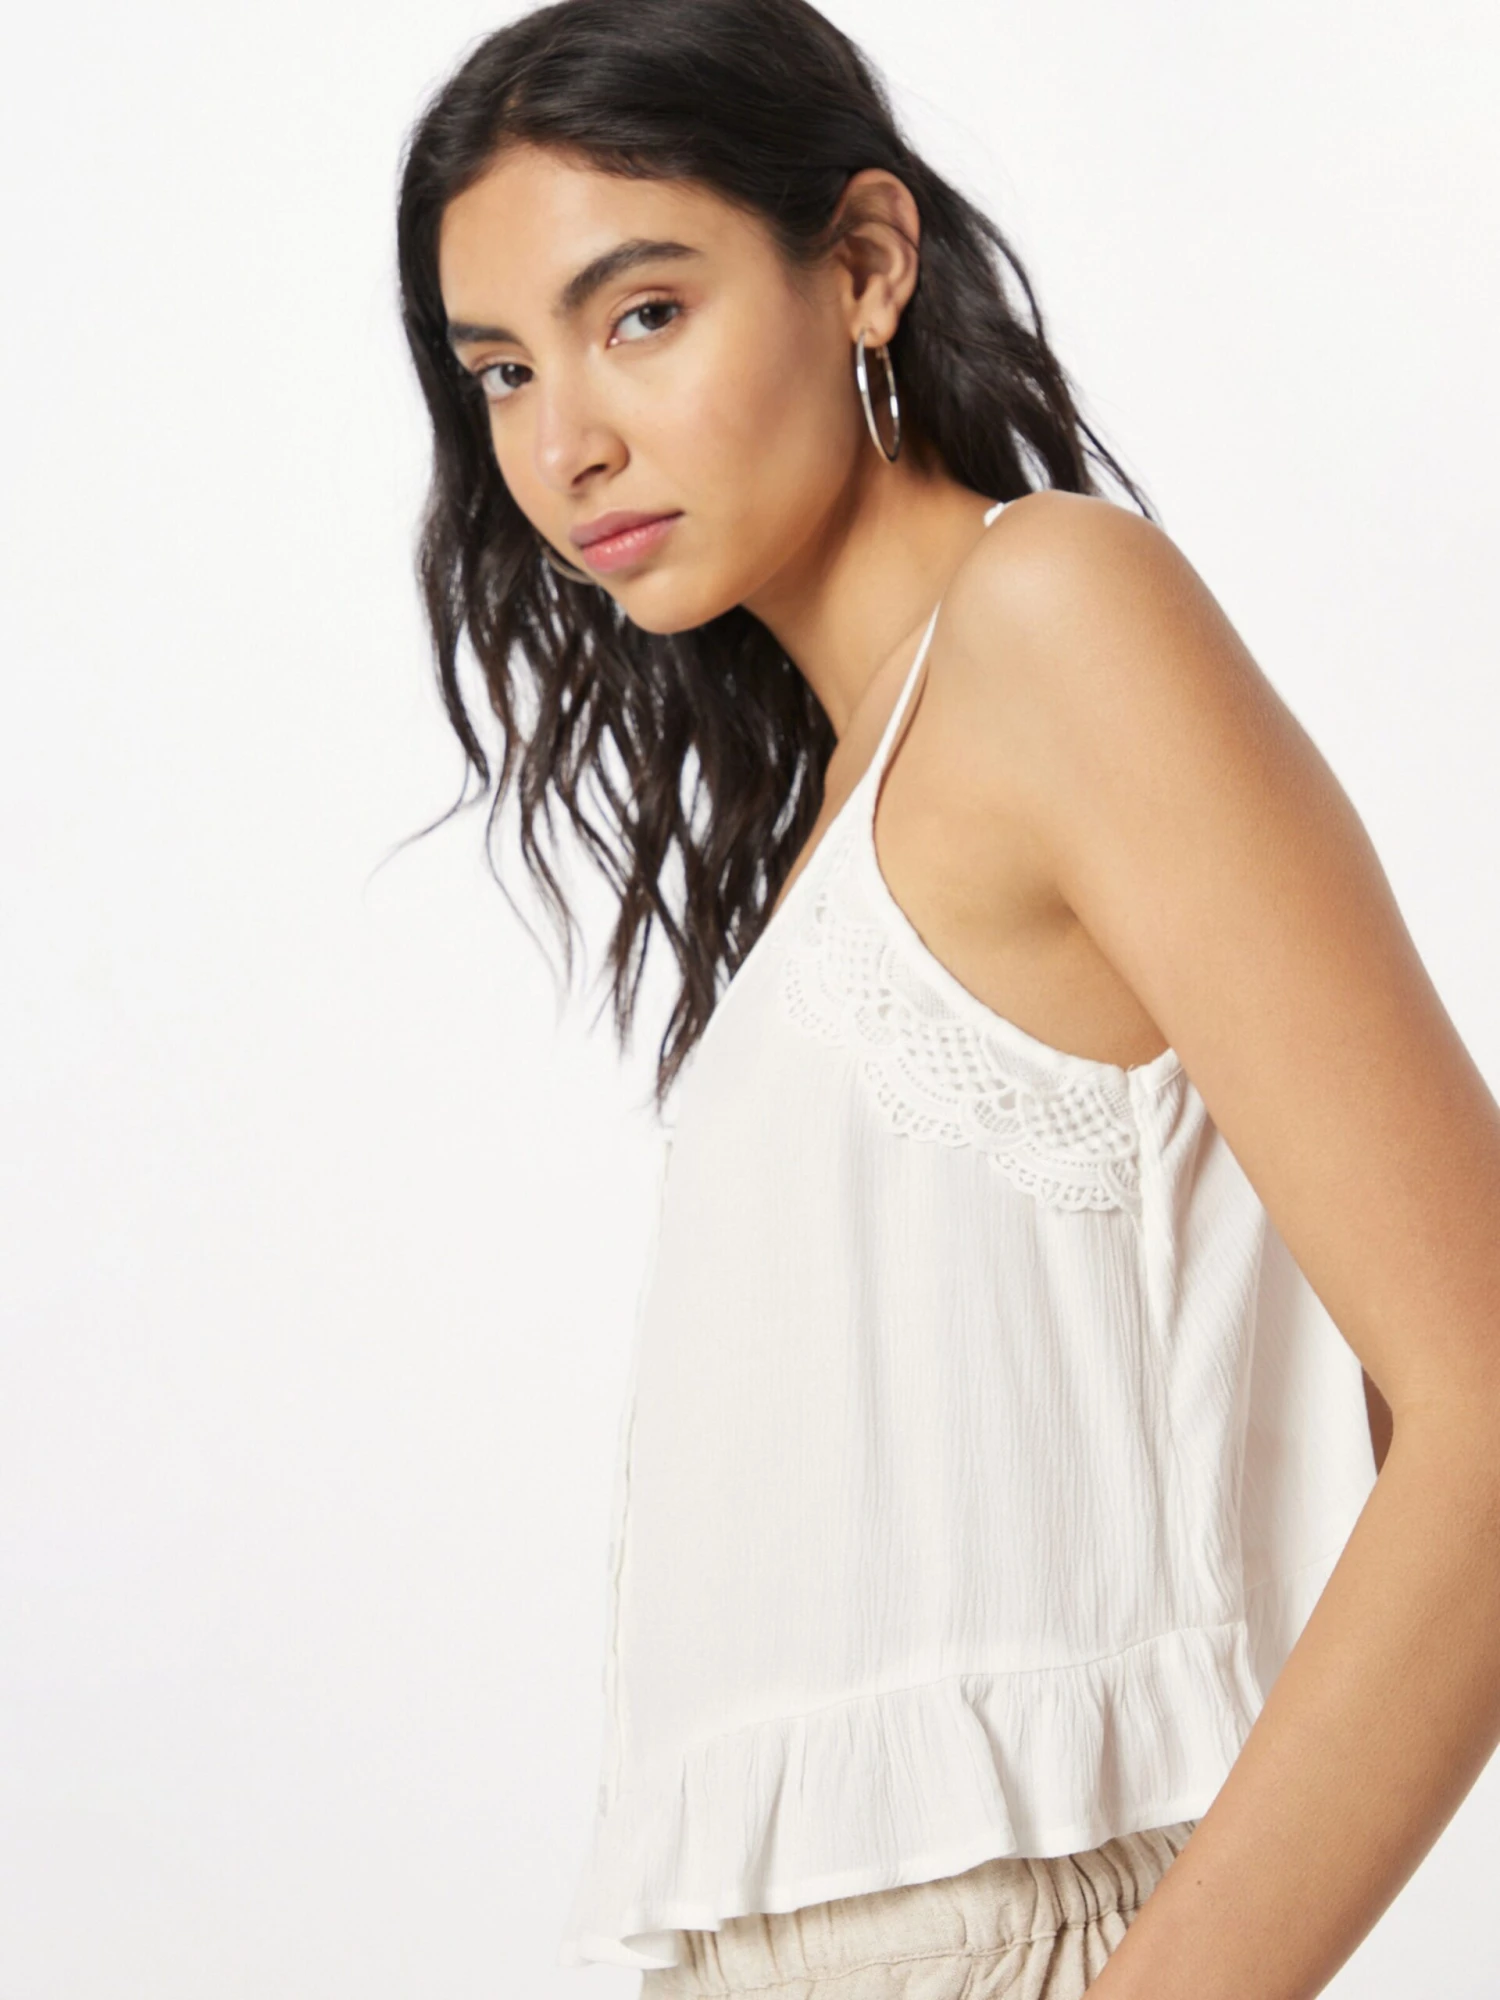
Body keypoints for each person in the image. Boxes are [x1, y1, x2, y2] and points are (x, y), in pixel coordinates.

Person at [393, 2, 1500, 1995]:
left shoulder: (1052, 614)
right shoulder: (857, 791)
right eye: (504, 370)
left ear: (865, 264)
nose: (566, 443)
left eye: (642, 314)